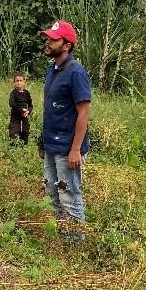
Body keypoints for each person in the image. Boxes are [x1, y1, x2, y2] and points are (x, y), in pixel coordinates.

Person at [40, 20, 92, 241]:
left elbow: (83, 113)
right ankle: (63, 235)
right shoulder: (53, 68)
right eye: (48, 38)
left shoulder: (76, 73)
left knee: (69, 195)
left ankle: (76, 243)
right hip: (52, 144)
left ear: (67, 45)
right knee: (52, 192)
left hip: (67, 148)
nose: (48, 42)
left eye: (53, 39)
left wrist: (75, 150)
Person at [8, 72, 33, 145]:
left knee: (25, 134)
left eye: (20, 81)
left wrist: (28, 111)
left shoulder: (27, 93)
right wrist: (21, 110)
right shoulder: (13, 93)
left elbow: (31, 105)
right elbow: (11, 104)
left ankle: (23, 151)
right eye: (17, 81)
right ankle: (12, 151)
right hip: (15, 118)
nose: (19, 83)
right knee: (13, 135)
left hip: (24, 118)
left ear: (24, 82)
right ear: (14, 82)